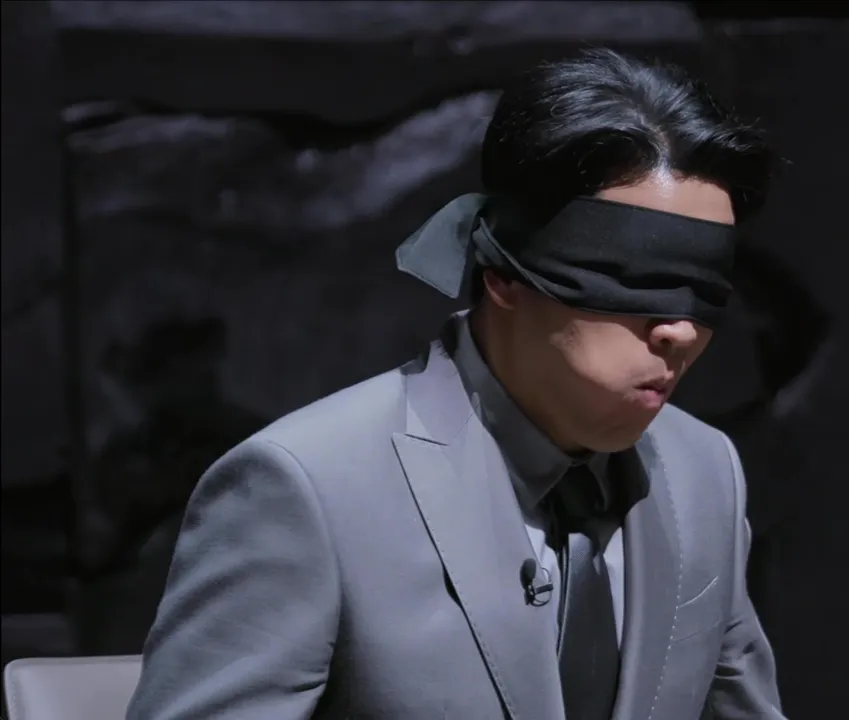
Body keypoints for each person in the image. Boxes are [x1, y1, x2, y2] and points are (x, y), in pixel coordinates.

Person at [128, 48, 785, 720]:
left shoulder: (704, 471)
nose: (679, 329)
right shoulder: (308, 490)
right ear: (504, 272)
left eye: (706, 288)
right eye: (636, 278)